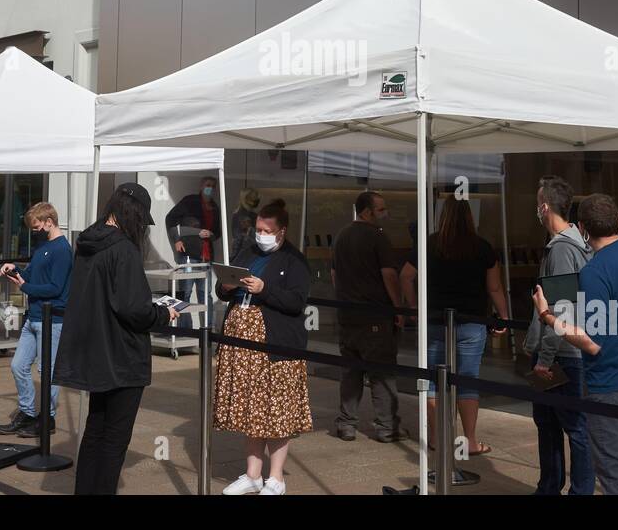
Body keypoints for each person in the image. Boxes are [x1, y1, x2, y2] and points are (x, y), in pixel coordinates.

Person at [533, 193, 618, 495]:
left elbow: (592, 344)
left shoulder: (595, 272)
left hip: (614, 385)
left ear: (582, 229)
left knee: (616, 473)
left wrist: (548, 316)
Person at [54, 182, 178, 494]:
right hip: (122, 356)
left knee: (95, 430)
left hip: (96, 352)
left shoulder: (88, 242)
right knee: (114, 438)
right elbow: (134, 309)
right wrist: (163, 314)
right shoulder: (122, 249)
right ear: (134, 213)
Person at [214, 198, 312, 495]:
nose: (260, 234)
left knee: (275, 411)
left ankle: (276, 478)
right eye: (258, 228)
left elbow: (296, 302)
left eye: (266, 230)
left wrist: (265, 290)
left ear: (281, 231)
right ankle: (253, 474)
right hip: (243, 346)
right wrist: (227, 286)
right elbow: (223, 290)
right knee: (251, 409)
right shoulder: (249, 250)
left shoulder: (295, 260)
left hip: (274, 346)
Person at [417, 195, 508, 457]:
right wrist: (502, 315)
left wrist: (415, 307)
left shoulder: (430, 244)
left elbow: (407, 275)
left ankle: (436, 438)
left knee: (433, 381)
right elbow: (494, 287)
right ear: (470, 217)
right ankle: (469, 440)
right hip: (472, 322)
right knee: (468, 381)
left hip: (434, 320)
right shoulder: (482, 247)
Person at [522, 175, 594, 495]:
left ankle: (575, 489)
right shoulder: (568, 245)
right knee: (549, 423)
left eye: (538, 203)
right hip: (561, 352)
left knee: (570, 427)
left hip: (561, 355)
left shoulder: (563, 249)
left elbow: (561, 311)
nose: (536, 209)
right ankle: (549, 487)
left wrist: (544, 359)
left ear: (546, 206)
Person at [331, 190, 413, 442]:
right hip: (375, 315)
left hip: (348, 314)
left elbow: (334, 274)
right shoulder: (378, 237)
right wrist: (397, 307)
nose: (385, 214)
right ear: (367, 212)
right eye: (381, 209)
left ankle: (346, 424)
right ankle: (386, 426)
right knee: (381, 374)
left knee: (351, 372)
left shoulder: (342, 235)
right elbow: (389, 275)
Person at [0, 202, 72, 439]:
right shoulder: (44, 247)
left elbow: (55, 287)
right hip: (34, 317)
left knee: (47, 371)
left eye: (37, 226)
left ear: (49, 222)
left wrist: (25, 286)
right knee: (18, 365)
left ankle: (46, 418)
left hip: (53, 319)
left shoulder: (62, 250)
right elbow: (32, 274)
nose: (35, 230)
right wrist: (15, 269)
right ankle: (28, 413)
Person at [164, 176, 223, 327]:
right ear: (201, 186)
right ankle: (186, 330)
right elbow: (170, 218)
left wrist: (212, 234)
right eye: (207, 185)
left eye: (212, 186)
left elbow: (218, 231)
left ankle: (207, 330)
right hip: (189, 255)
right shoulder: (190, 201)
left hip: (206, 257)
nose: (210, 188)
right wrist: (176, 239)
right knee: (186, 293)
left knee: (206, 295)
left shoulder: (215, 207)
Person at [230, 188, 260, 260]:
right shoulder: (241, 216)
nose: (255, 200)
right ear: (246, 199)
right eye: (252, 197)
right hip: (245, 252)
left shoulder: (252, 215)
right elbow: (238, 237)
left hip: (251, 250)